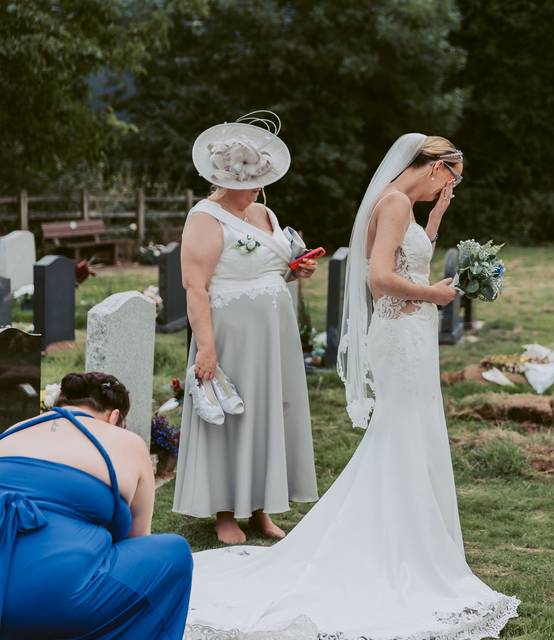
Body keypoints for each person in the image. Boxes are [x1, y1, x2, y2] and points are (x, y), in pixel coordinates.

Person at [183, 134, 520, 639]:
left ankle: (412, 533)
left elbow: (409, 254)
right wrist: (433, 293)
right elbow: (380, 278)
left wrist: (436, 222)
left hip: (412, 332)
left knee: (414, 431)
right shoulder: (391, 203)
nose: (452, 187)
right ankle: (393, 540)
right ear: (435, 167)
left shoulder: (402, 206)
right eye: (453, 177)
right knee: (399, 432)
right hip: (399, 334)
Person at [174, 111, 319, 544]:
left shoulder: (265, 213)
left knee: (268, 410)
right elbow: (194, 286)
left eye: (258, 181)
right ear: (223, 177)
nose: (253, 189)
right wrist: (206, 348)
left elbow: (267, 266)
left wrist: (296, 270)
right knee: (230, 416)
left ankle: (260, 507)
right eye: (246, 182)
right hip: (230, 331)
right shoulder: (205, 217)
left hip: (273, 331)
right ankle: (224, 512)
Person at [0, 372, 192, 639]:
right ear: (115, 417)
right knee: (175, 552)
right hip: (60, 602)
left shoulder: (13, 432)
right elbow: (137, 539)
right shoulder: (127, 442)